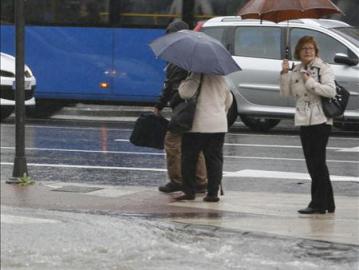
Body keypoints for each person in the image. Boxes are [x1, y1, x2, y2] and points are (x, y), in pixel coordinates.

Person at [280, 36, 336, 214]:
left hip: (321, 120)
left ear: (316, 51)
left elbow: (330, 91)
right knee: (313, 162)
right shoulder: (296, 69)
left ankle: (317, 204)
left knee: (317, 162)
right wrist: (284, 74)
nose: (307, 51)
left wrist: (310, 82)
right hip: (304, 120)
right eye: (304, 48)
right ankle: (328, 202)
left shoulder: (323, 68)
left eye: (311, 48)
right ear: (298, 52)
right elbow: (286, 93)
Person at [154, 20, 207, 193]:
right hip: (195, 105)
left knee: (171, 142)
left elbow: (170, 85)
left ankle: (176, 180)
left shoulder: (177, 58)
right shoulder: (194, 54)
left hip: (183, 106)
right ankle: (201, 180)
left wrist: (159, 105)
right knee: (193, 143)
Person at [175, 72, 233, 202]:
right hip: (218, 125)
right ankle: (212, 194)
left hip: (198, 125)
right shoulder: (222, 78)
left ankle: (189, 191)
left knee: (189, 159)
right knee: (214, 160)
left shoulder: (196, 75)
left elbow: (184, 93)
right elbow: (229, 100)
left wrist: (184, 82)